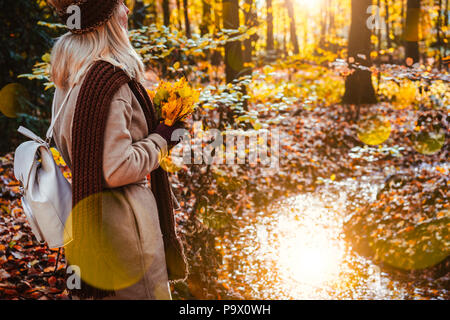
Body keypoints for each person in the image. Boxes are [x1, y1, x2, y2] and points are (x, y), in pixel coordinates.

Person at [47, 0, 187, 300]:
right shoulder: (112, 84)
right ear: (106, 17)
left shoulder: (69, 76)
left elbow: (84, 147)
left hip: (92, 212)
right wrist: (162, 138)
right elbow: (116, 168)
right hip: (128, 224)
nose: (127, 9)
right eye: (121, 3)